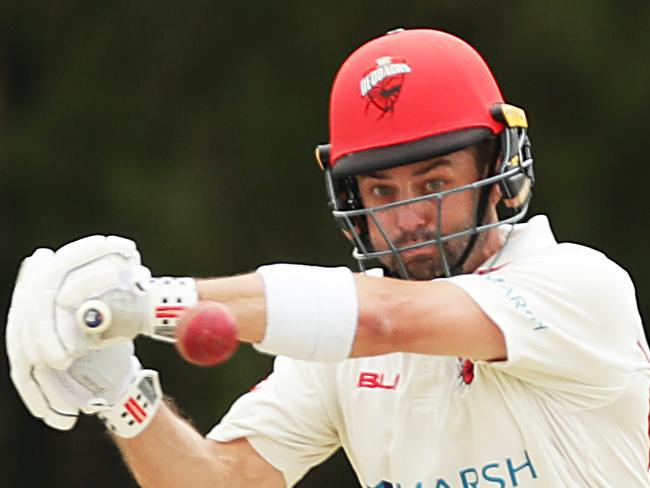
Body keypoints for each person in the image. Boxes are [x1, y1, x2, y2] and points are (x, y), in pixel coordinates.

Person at [6, 28, 650, 487]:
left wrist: (143, 303)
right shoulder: (342, 346)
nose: (409, 217)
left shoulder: (580, 287)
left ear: (499, 169)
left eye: (435, 182)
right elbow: (224, 481)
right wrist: (120, 394)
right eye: (381, 191)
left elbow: (388, 320)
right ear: (350, 198)